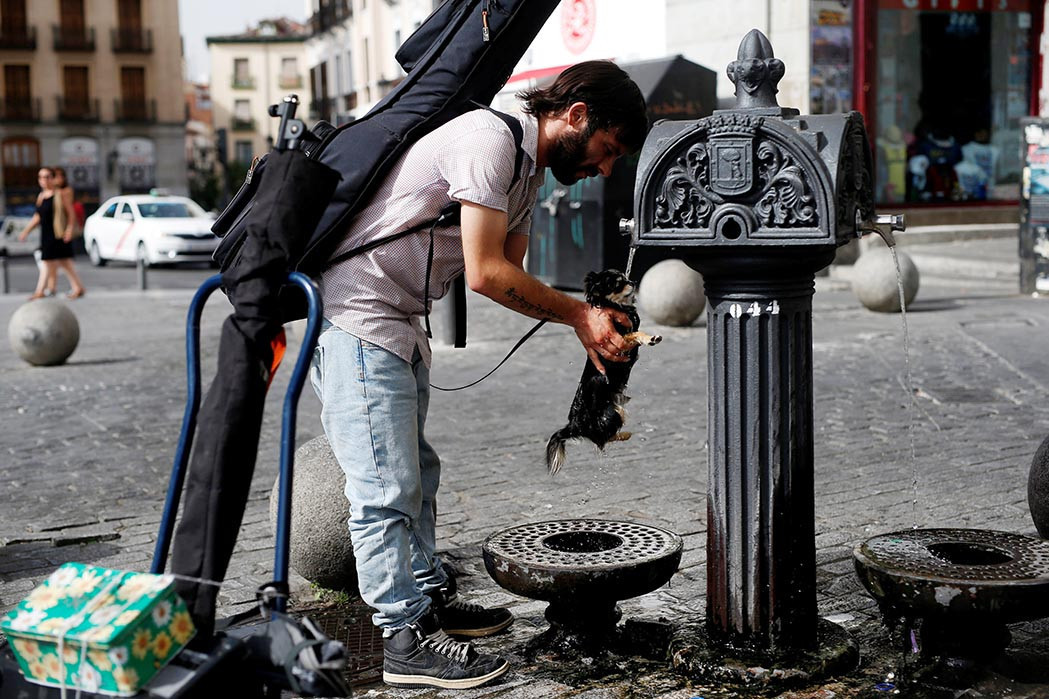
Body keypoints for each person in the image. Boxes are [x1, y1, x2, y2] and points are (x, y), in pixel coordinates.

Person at [310, 60, 648, 690]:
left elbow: (508, 273)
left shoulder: (528, 169)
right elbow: (486, 273)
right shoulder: (490, 139)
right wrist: (578, 316)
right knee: (384, 485)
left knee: (417, 472)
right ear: (575, 116)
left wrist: (588, 316)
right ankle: (401, 641)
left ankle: (428, 605)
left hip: (400, 319)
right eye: (606, 151)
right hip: (356, 313)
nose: (605, 170)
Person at [16, 167, 84, 300]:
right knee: (63, 263)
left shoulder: (61, 194)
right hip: (46, 234)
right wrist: (26, 231)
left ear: (53, 178)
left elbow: (71, 213)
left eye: (47, 177)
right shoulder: (41, 196)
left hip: (59, 234)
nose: (44, 180)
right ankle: (77, 287)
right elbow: (37, 217)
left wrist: (69, 230)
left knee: (52, 262)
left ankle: (40, 291)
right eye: (41, 177)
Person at [48, 167, 87, 298]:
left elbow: (70, 212)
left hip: (63, 230)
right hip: (56, 230)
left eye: (59, 176)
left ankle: (76, 288)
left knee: (64, 261)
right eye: (55, 176)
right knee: (59, 262)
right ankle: (54, 287)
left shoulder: (65, 191)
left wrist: (69, 230)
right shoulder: (53, 192)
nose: (57, 179)